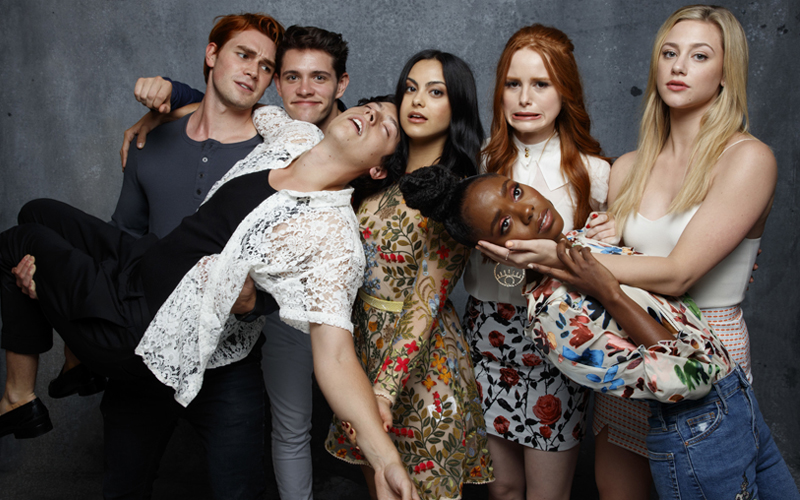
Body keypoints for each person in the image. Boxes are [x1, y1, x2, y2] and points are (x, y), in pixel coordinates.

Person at [0, 97, 421, 500]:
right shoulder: (297, 137)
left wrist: (385, 460)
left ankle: (19, 398)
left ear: (378, 170)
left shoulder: (335, 240)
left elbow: (337, 357)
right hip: (141, 264)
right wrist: (163, 111)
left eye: (385, 126)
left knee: (18, 242)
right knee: (38, 211)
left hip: (147, 323)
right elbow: (242, 104)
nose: (371, 115)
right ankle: (77, 361)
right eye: (370, 107)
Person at [477, 6, 784, 500]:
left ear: (726, 73)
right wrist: (589, 244)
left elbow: (678, 273)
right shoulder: (628, 168)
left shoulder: (747, 158)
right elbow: (617, 269)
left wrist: (557, 256)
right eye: (669, 53)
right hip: (628, 350)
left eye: (699, 56)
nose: (678, 66)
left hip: (705, 351)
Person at [9, 13, 285, 499]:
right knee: (123, 487)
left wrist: (256, 300)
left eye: (266, 66)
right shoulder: (149, 139)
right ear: (212, 54)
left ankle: (30, 387)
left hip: (225, 360)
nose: (253, 71)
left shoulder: (277, 157)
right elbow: (122, 239)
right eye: (243, 54)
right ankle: (60, 367)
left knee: (240, 491)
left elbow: (295, 264)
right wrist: (50, 290)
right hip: (139, 349)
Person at [400, 165, 799, 500]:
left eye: (516, 191)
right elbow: (688, 377)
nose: (526, 209)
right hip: (699, 430)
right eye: (505, 224)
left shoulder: (579, 243)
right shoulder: (555, 319)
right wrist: (608, 292)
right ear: (494, 251)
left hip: (740, 403)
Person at [113, 25, 351, 500]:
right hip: (191, 327)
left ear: (341, 84)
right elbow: (223, 98)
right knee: (288, 427)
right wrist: (169, 102)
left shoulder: (349, 136)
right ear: (278, 84)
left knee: (311, 430)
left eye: (320, 78)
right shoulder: (268, 133)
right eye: (290, 76)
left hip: (309, 314)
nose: (305, 89)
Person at [324, 50, 493, 500]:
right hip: (362, 354)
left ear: (457, 106)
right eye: (411, 89)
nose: (417, 101)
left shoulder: (455, 192)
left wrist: (383, 391)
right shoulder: (380, 170)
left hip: (423, 369)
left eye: (436, 92)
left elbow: (427, 299)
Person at [460, 24, 610, 500]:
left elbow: (617, 263)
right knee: (502, 488)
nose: (525, 98)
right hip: (487, 331)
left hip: (556, 338)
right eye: (513, 83)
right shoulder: (477, 162)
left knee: (548, 493)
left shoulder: (594, 173)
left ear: (565, 91)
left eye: (541, 84)